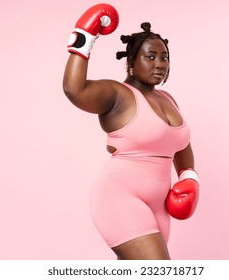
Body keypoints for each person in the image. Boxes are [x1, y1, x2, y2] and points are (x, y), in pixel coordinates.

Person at [63, 3, 200, 260]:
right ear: (132, 62)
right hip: (120, 198)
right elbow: (75, 90)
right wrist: (84, 38)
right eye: (150, 57)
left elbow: (181, 145)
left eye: (164, 57)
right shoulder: (118, 94)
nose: (160, 63)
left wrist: (189, 177)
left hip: (158, 207)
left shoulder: (168, 99)